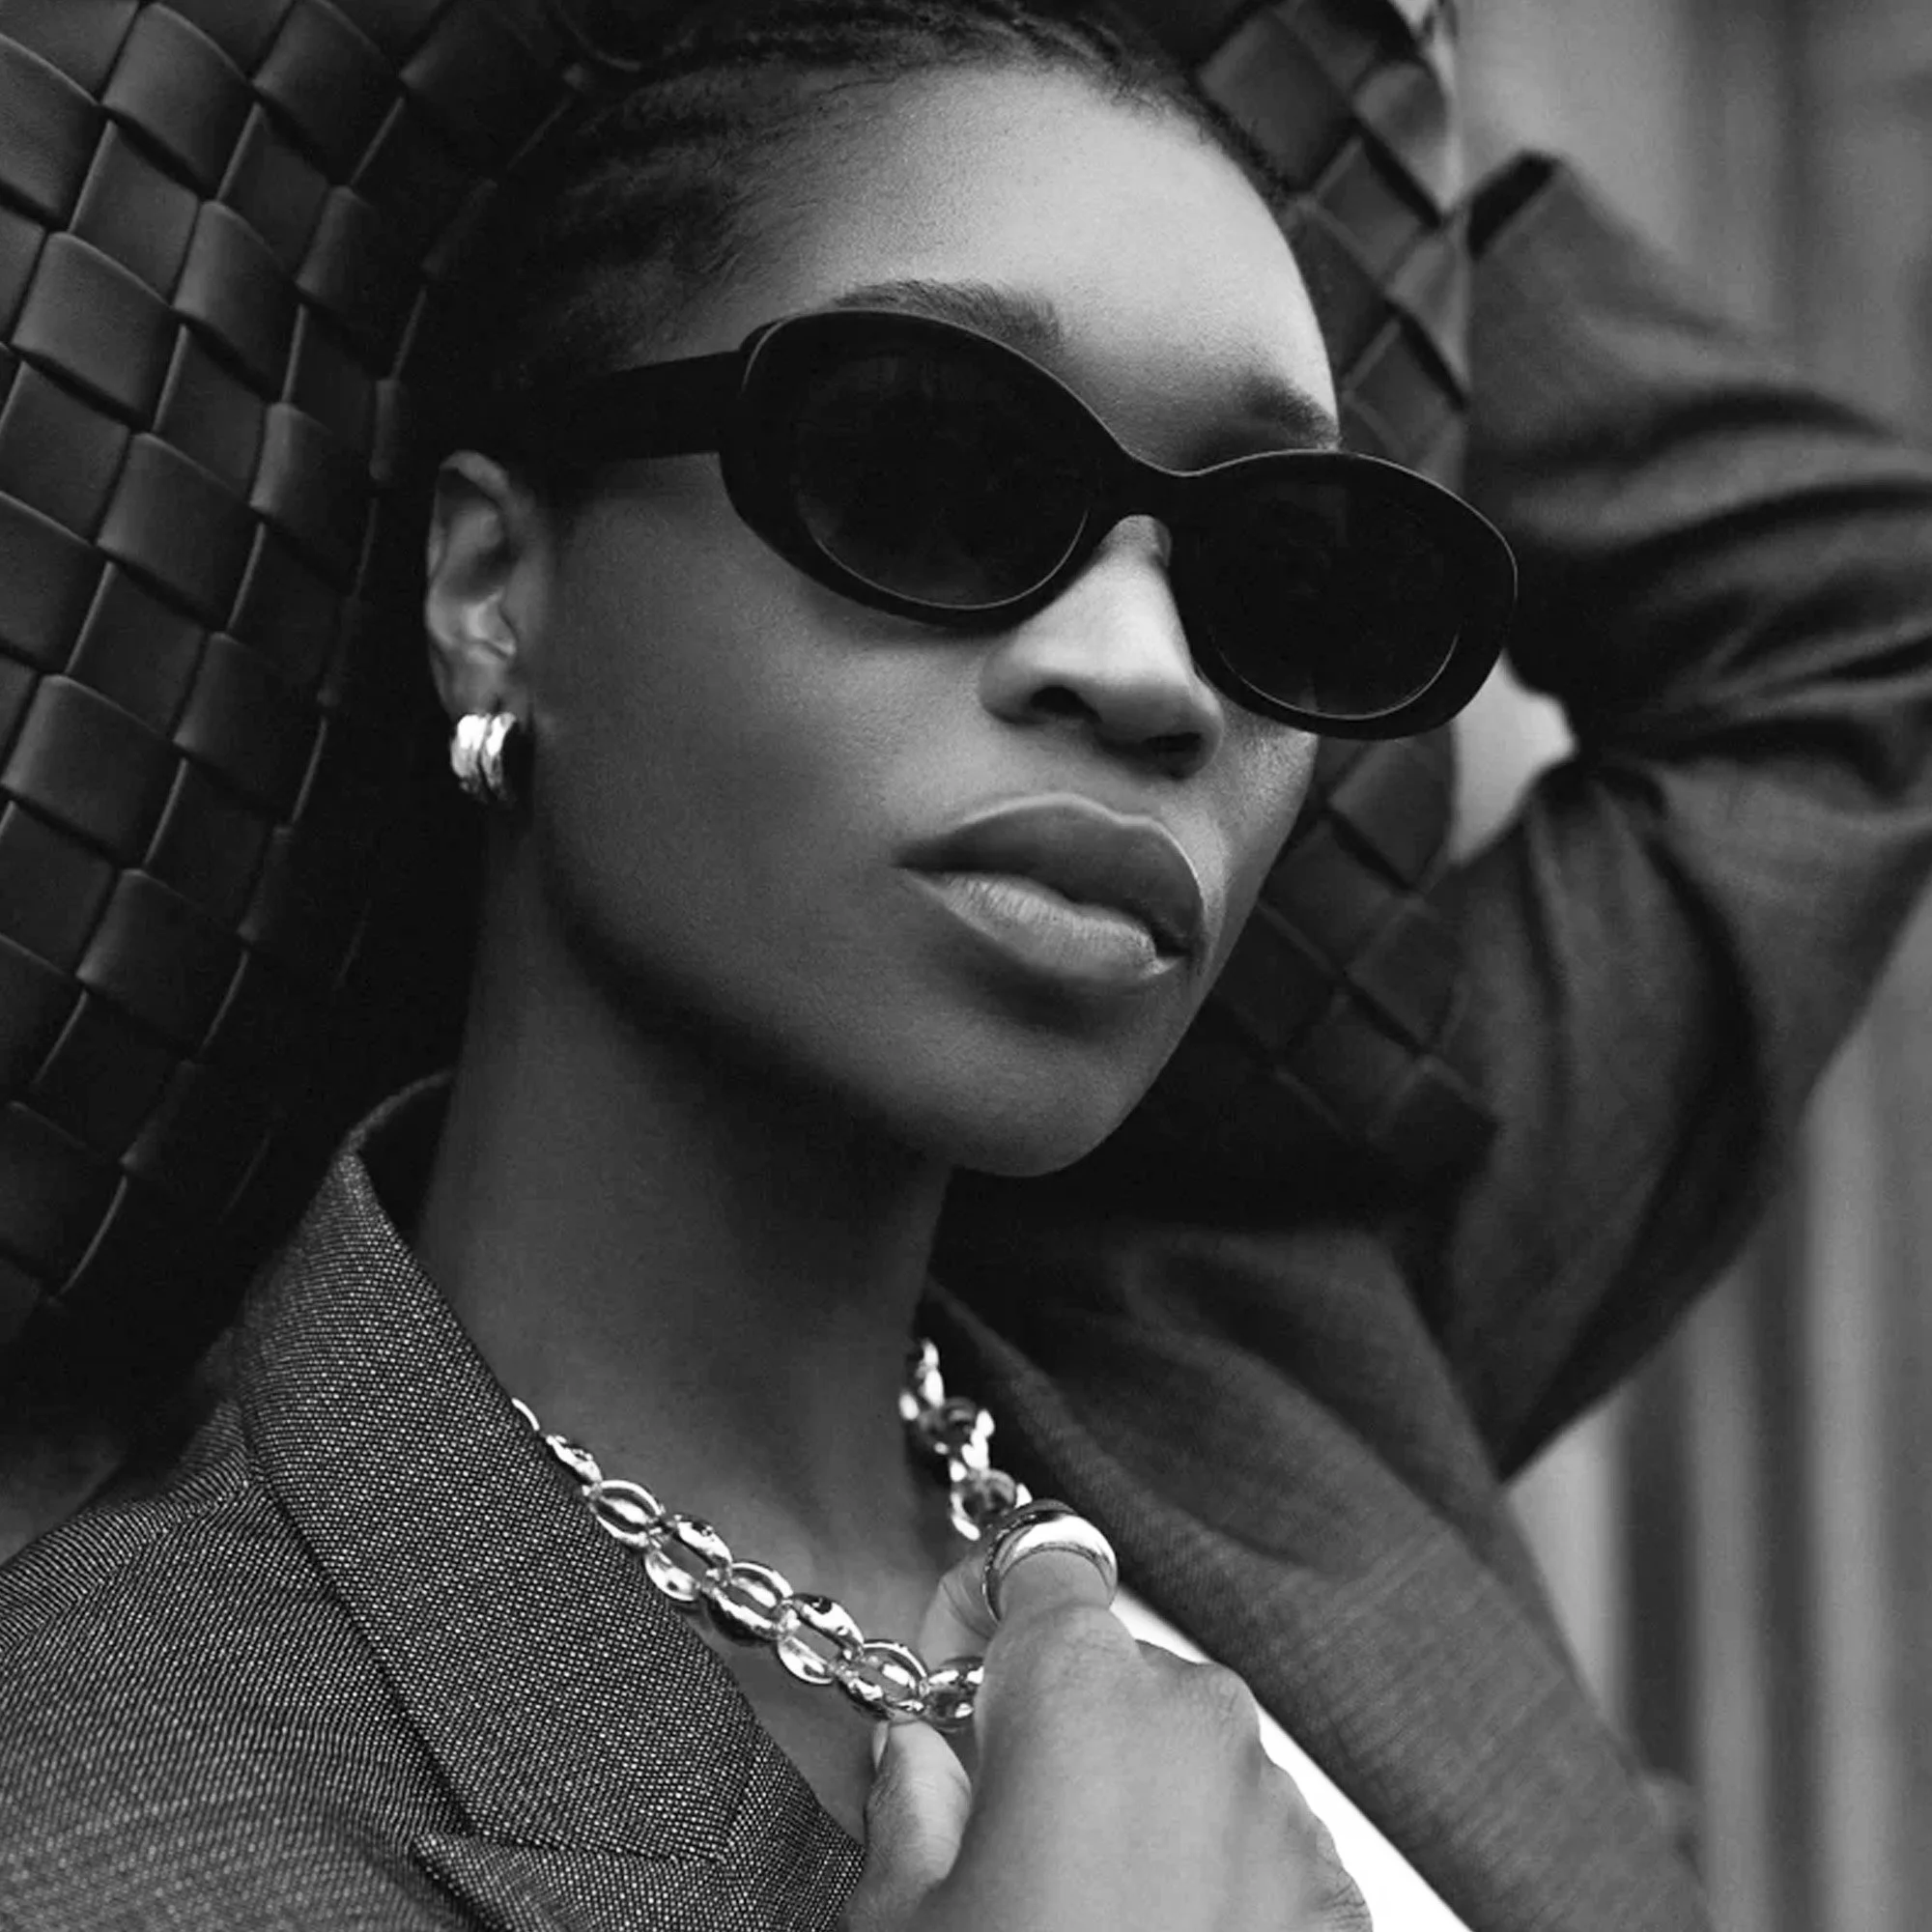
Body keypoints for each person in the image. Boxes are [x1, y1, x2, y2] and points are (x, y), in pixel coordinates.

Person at [6, 3, 1932, 1928]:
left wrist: (1358, 150)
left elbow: (1852, 643)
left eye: (1287, 566)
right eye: (932, 472)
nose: (1151, 674)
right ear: (495, 589)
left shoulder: (1282, 1369)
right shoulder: (106, 1822)